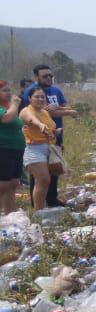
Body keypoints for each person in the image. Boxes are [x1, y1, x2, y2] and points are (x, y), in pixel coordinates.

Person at [19, 64, 77, 208]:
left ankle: (51, 199)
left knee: (53, 170)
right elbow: (32, 116)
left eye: (51, 75)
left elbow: (65, 108)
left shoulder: (55, 90)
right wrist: (67, 112)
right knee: (40, 177)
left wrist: (58, 116)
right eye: (45, 76)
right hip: (35, 145)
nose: (49, 78)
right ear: (36, 77)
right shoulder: (30, 94)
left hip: (52, 141)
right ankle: (37, 206)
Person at [19, 87, 58, 212]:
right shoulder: (26, 110)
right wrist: (39, 124)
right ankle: (37, 211)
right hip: (33, 149)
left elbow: (50, 128)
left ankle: (41, 208)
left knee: (45, 182)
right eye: (37, 96)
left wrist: (56, 132)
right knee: (43, 180)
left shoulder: (45, 112)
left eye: (42, 97)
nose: (40, 99)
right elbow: (31, 119)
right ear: (30, 98)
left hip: (48, 148)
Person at [0, 81, 24, 214]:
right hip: (4, 149)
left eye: (9, 90)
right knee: (3, 183)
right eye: (4, 90)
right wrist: (15, 104)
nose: (8, 93)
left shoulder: (8, 106)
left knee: (13, 183)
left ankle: (10, 214)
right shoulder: (8, 108)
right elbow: (7, 118)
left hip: (16, 149)